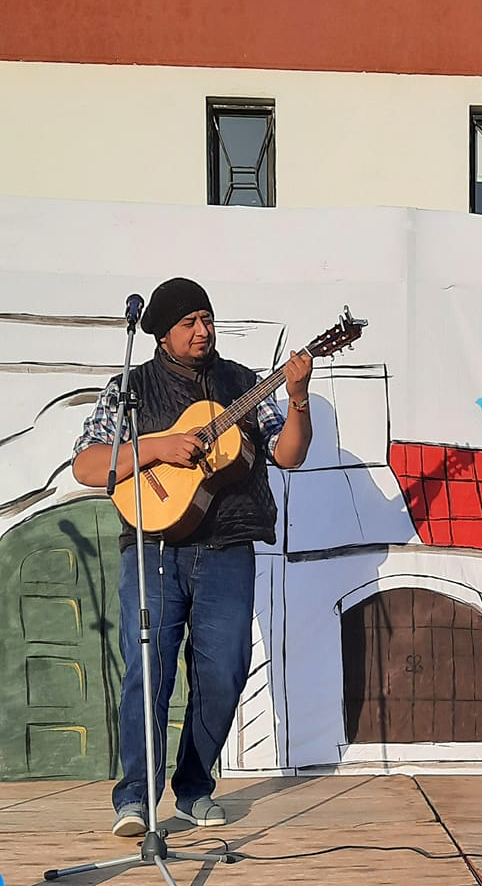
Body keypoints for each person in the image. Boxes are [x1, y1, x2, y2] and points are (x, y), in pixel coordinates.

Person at [72, 277, 314, 836]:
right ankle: (136, 798)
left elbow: (289, 454)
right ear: (162, 333)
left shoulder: (243, 383)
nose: (203, 330)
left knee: (223, 672)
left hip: (227, 547)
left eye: (207, 319)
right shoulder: (130, 387)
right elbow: (87, 465)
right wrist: (157, 446)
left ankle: (193, 788)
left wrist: (298, 398)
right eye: (189, 322)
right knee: (147, 673)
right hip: (153, 549)